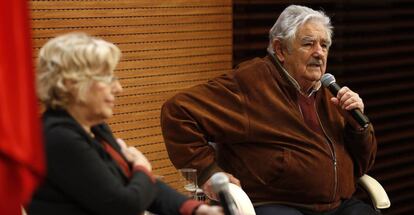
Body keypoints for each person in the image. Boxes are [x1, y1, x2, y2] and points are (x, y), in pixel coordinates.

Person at [160, 5, 378, 215]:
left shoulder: (329, 92)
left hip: (335, 206)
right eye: (308, 44)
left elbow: (362, 165)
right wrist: (208, 173)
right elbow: (177, 112)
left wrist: (357, 126)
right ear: (280, 50)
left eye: (324, 45)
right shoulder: (250, 84)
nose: (319, 53)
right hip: (275, 203)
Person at [28, 32, 223, 215]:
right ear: (72, 84)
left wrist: (197, 210)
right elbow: (124, 206)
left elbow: (139, 185)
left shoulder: (96, 128)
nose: (118, 88)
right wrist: (142, 167)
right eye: (107, 78)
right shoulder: (59, 137)